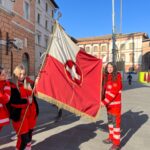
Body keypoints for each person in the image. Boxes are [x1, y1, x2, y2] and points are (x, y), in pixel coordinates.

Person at [9, 64, 39, 150]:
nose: (22, 76)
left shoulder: (29, 82)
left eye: (24, 74)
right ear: (16, 74)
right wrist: (26, 102)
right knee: (23, 139)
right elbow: (12, 102)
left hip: (31, 115)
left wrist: (37, 82)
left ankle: (28, 148)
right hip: (20, 116)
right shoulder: (12, 85)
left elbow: (36, 92)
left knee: (29, 136)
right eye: (20, 74)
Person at [101, 62, 122, 150]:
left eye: (111, 67)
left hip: (115, 106)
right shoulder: (107, 77)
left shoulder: (117, 77)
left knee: (116, 125)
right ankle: (111, 137)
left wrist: (104, 102)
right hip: (109, 106)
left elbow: (113, 92)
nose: (109, 68)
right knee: (110, 123)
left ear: (114, 68)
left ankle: (116, 144)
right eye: (108, 67)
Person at [0, 66, 11, 131]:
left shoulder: (6, 84)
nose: (5, 76)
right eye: (3, 74)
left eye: (5, 74)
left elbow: (6, 99)